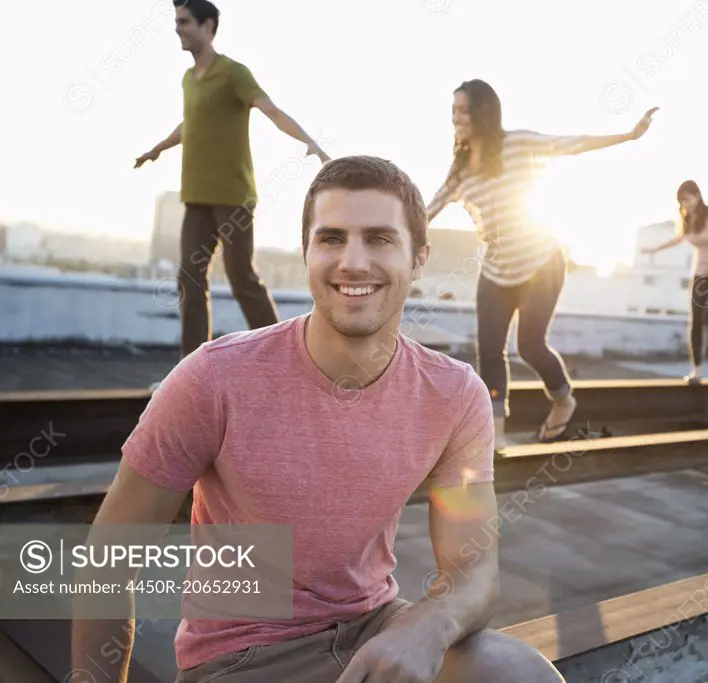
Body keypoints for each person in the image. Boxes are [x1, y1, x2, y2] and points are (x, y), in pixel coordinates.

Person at [70, 156, 565, 683]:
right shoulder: (213, 379)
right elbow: (108, 558)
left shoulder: (455, 395)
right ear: (307, 252)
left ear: (418, 258)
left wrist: (429, 623)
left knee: (522, 675)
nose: (353, 261)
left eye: (379, 239)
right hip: (243, 656)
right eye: (331, 238)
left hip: (373, 629)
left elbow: (474, 571)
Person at [425, 78, 658, 448]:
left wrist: (629, 136)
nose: (455, 118)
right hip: (497, 271)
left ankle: (564, 400)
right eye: (452, 111)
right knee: (489, 352)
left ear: (483, 112)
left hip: (542, 264)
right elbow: (426, 212)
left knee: (531, 346)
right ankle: (496, 435)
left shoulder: (518, 143)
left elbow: (573, 144)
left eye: (463, 110)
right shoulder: (460, 171)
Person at [134, 0, 331, 377]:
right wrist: (155, 150)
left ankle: (286, 357)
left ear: (208, 26)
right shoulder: (189, 79)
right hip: (196, 196)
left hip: (233, 197)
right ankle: (191, 370)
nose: (178, 28)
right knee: (188, 279)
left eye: (185, 21)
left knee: (242, 277)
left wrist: (310, 142)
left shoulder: (233, 73)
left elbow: (270, 109)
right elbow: (189, 125)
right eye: (176, 21)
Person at [642, 180, 708, 383]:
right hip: (700, 272)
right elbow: (678, 239)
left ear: (697, 196)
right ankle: (696, 370)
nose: (685, 204)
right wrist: (653, 250)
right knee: (695, 321)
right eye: (682, 201)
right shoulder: (687, 219)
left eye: (688, 199)